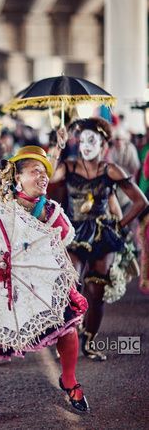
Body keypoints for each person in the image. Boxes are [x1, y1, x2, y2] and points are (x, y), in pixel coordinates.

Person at [0, 145, 90, 425]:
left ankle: (69, 380)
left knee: (67, 327)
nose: (43, 176)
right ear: (17, 178)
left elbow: (61, 251)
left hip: (38, 286)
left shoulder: (52, 212)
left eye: (44, 172)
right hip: (0, 285)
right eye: (35, 171)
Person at [50, 117, 148, 361]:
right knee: (71, 280)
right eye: (82, 139)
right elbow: (49, 178)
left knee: (96, 289)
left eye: (91, 140)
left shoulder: (110, 170)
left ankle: (89, 340)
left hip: (103, 235)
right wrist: (58, 147)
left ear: (104, 143)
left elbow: (141, 202)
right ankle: (66, 335)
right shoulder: (69, 166)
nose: (86, 144)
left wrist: (119, 225)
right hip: (74, 232)